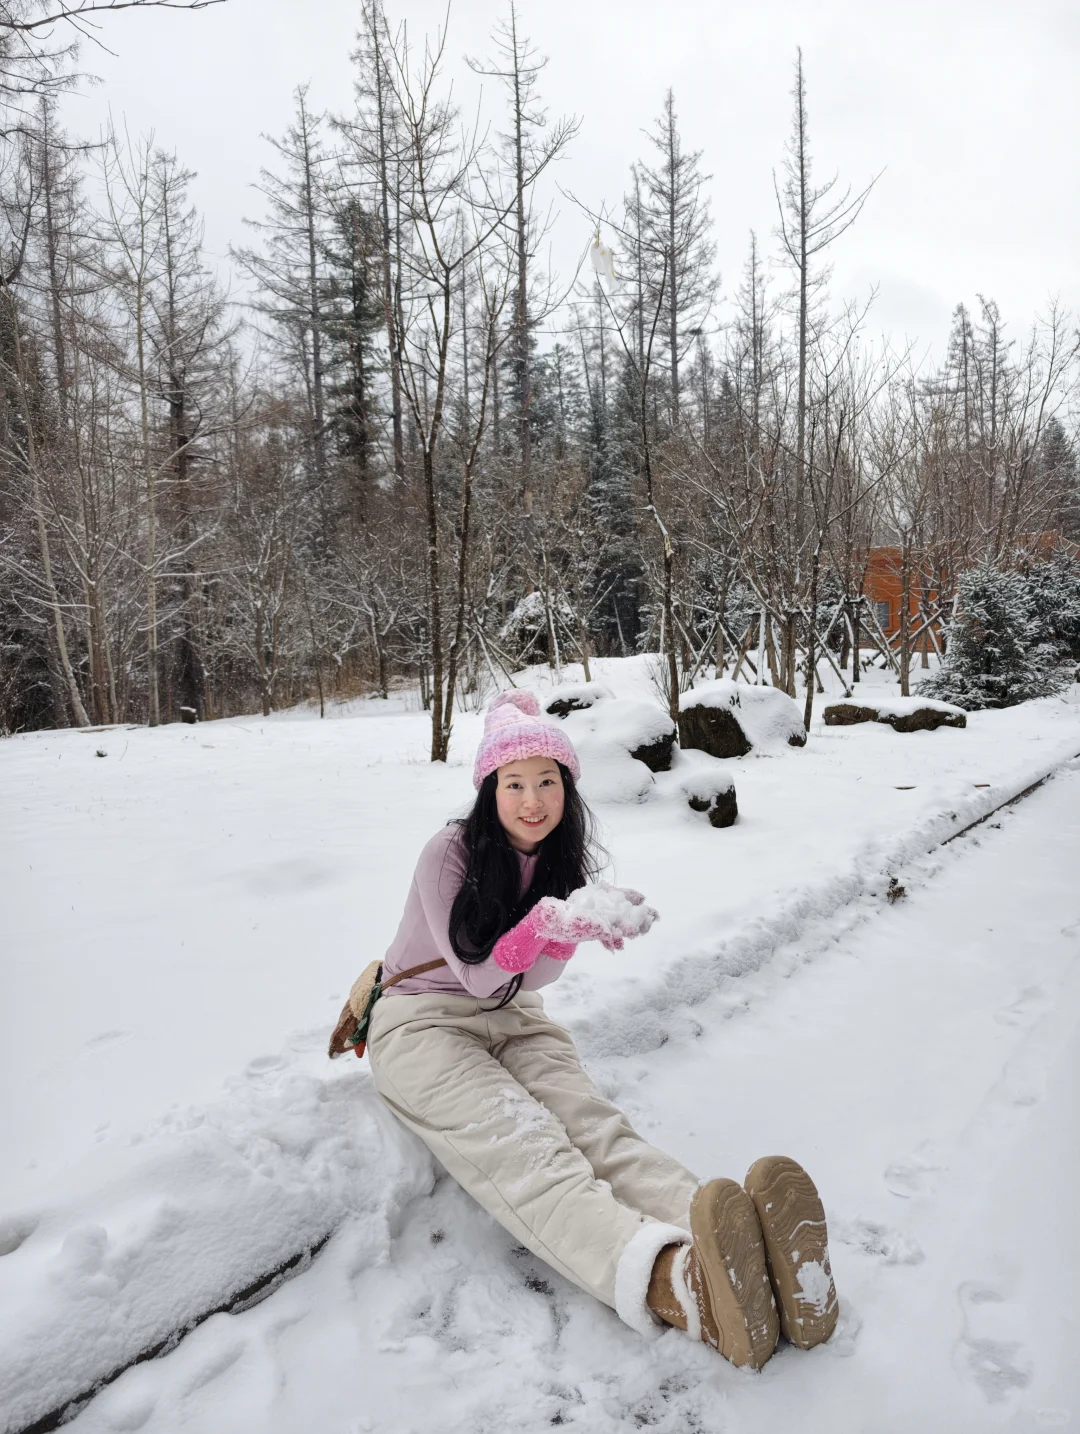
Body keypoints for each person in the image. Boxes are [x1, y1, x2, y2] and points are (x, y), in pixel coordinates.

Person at [330, 690, 838, 1367]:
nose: (532, 800)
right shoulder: (447, 852)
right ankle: (681, 1286)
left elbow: (530, 979)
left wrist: (571, 929)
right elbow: (477, 975)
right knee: (533, 1152)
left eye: (548, 782)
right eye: (514, 783)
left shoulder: (556, 856)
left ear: (568, 787)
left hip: (514, 1014)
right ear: (489, 789)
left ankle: (746, 1250)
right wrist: (549, 922)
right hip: (422, 1023)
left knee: (599, 1131)